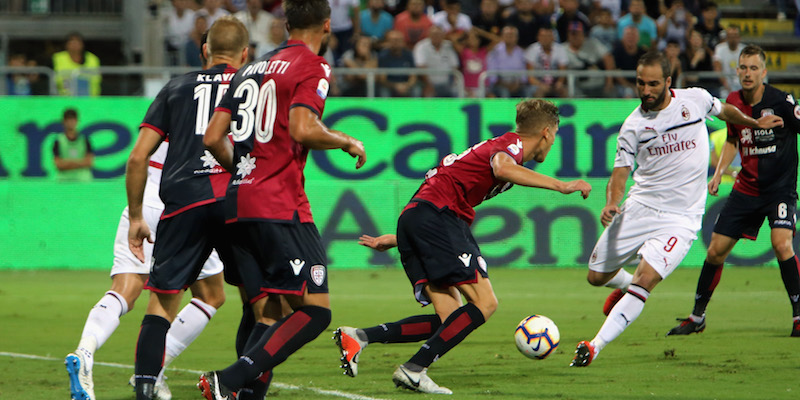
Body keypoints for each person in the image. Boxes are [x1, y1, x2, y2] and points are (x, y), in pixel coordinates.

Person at [334, 99, 591, 394]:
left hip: (417, 218)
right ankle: (414, 369)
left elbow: (438, 193)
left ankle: (359, 337)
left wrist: (398, 238)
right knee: (485, 303)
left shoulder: (500, 147)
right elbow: (501, 168)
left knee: (450, 317)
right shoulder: (511, 147)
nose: (553, 142)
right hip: (439, 218)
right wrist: (562, 185)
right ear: (547, 132)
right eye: (556, 135)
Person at [568, 51, 784, 368]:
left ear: (669, 82)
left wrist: (753, 122)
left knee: (646, 279)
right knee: (596, 276)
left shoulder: (694, 100)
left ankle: (594, 345)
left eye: (653, 83)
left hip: (680, 220)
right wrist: (612, 202)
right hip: (639, 207)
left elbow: (724, 111)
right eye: (640, 83)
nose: (646, 90)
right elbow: (620, 174)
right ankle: (627, 286)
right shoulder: (632, 126)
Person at [198, 1, 366, 398]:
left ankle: (246, 394)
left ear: (286, 24)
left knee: (274, 310)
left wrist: (243, 170)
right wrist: (346, 140)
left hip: (238, 202)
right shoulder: (312, 65)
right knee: (316, 311)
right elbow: (304, 128)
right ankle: (229, 380)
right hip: (279, 204)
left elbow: (211, 137)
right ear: (327, 26)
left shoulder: (250, 68)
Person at [127, 16, 249, 399]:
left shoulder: (175, 88)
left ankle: (145, 388)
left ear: (204, 52)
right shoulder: (257, 86)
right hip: (238, 200)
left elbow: (137, 159)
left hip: (184, 203)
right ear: (245, 55)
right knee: (258, 301)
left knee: (162, 303)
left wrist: (135, 217)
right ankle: (243, 386)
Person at [64, 141, 227, 400]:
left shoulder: (169, 102)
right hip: (186, 203)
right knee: (210, 295)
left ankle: (85, 351)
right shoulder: (220, 107)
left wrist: (137, 213)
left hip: (145, 198)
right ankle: (154, 370)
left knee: (123, 290)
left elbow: (138, 155)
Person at [666, 45, 800, 338]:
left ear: (764, 73)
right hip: (746, 189)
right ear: (736, 70)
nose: (748, 73)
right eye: (743, 67)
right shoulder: (732, 101)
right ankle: (696, 317)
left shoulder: (782, 102)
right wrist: (717, 174)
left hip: (779, 190)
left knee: (781, 244)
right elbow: (732, 140)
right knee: (715, 250)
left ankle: (799, 316)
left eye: (754, 68)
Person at [52, 32, 101, 96]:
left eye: (78, 42)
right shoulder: (57, 58)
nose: (75, 44)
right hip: (64, 99)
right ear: (66, 45)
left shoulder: (93, 59)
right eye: (72, 42)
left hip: (90, 99)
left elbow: (97, 80)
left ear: (83, 44)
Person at [53, 108, 94, 182]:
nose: (70, 123)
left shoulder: (84, 140)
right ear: (64, 122)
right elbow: (58, 164)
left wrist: (67, 163)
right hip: (64, 180)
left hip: (82, 180)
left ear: (77, 121)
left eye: (72, 120)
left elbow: (89, 162)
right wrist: (80, 162)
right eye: (68, 120)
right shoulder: (58, 140)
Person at [713, 25, 745, 99]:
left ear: (739, 37)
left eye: (735, 36)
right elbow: (717, 67)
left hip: (742, 83)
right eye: (730, 36)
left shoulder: (744, 49)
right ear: (726, 37)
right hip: (725, 85)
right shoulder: (720, 48)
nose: (732, 38)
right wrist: (726, 85)